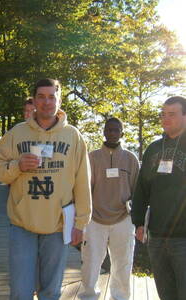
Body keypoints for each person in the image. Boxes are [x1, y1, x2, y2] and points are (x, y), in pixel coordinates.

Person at [0, 78, 92, 300]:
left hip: (58, 225)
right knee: (20, 292)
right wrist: (17, 166)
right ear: (34, 100)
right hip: (22, 224)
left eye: (51, 96)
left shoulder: (73, 136)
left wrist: (81, 223)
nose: (47, 102)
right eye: (41, 96)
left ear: (59, 99)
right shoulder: (17, 133)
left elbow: (83, 182)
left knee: (51, 291)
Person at [132, 96, 186, 300]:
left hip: (184, 238)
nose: (165, 118)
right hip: (157, 237)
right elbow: (142, 188)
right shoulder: (153, 149)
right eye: (163, 114)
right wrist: (138, 222)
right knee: (166, 294)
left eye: (172, 114)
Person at [80, 118, 139, 300]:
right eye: (109, 129)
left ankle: (120, 296)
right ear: (104, 132)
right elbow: (84, 189)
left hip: (123, 218)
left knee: (123, 263)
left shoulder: (130, 159)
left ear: (122, 133)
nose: (112, 133)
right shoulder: (92, 157)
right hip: (94, 219)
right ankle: (89, 296)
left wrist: (137, 219)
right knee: (91, 263)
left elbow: (137, 190)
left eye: (116, 130)